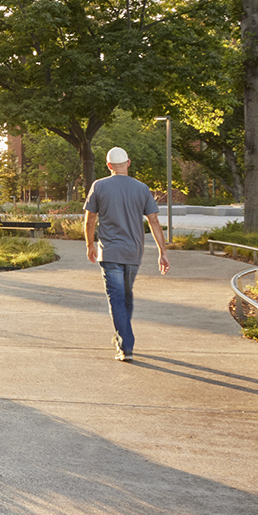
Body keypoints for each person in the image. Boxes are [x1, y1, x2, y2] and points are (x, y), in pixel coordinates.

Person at [84, 146, 170, 360]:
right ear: (128, 163)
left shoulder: (99, 186)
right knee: (125, 295)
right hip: (134, 251)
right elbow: (154, 221)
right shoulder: (142, 188)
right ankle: (123, 337)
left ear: (109, 166)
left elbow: (90, 219)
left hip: (110, 252)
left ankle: (125, 345)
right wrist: (163, 252)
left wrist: (89, 245)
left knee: (117, 298)